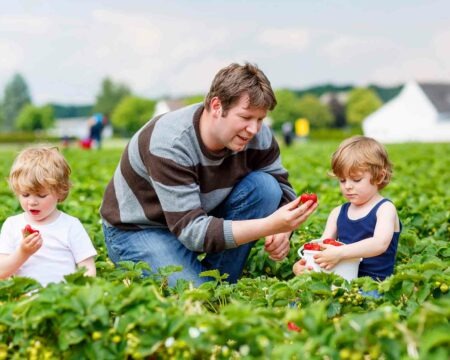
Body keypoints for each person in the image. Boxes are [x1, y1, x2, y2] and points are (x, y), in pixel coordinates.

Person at [101, 63, 318, 286]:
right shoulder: (169, 143)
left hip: (198, 216)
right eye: (245, 117)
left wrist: (285, 231)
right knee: (198, 298)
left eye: (260, 119)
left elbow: (283, 188)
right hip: (140, 229)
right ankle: (208, 281)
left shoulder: (257, 135)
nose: (254, 129)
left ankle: (219, 279)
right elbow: (192, 231)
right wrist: (271, 225)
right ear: (216, 106)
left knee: (266, 187)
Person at [293, 136, 401, 282]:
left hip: (375, 284)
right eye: (342, 180)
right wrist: (305, 264)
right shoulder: (337, 213)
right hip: (340, 281)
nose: (348, 186)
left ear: (379, 177)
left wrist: (341, 252)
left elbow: (379, 244)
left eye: (356, 180)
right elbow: (322, 248)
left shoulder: (385, 209)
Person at [0, 146, 97, 286]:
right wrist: (23, 252)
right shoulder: (12, 225)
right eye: (25, 194)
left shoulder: (70, 225)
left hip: (61, 299)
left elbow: (87, 267)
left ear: (60, 192)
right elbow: (2, 272)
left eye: (41, 195)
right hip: (23, 302)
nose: (32, 202)